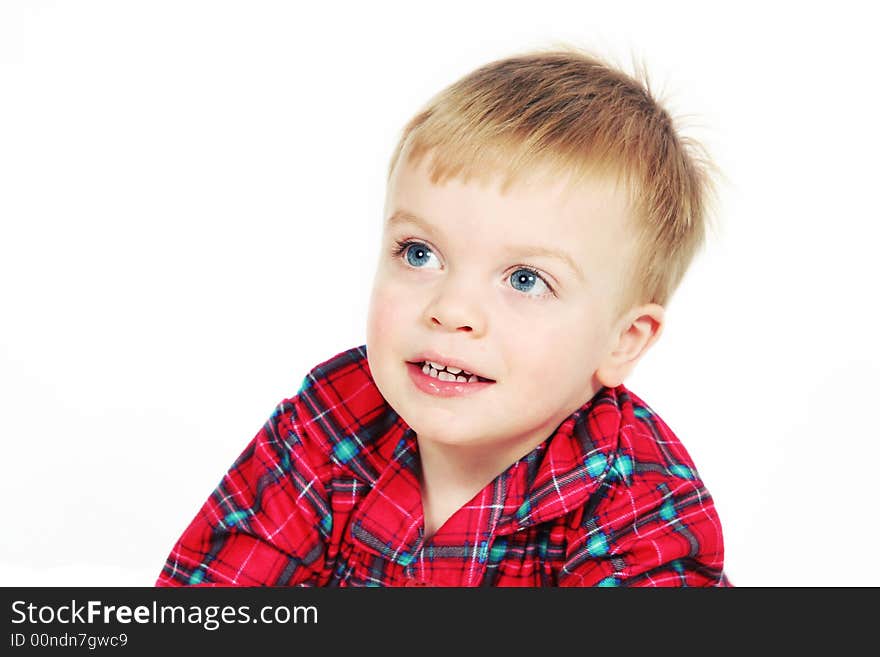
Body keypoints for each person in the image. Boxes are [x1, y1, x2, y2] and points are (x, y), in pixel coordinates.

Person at [156, 45, 731, 587]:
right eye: (419, 254)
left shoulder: (640, 510)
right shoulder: (333, 418)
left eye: (526, 280)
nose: (452, 310)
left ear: (623, 341)